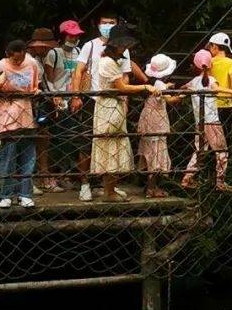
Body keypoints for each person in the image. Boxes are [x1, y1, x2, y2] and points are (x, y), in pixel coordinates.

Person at [72, 11, 145, 202]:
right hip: (94, 99)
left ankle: (108, 186)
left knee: (113, 144)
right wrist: (76, 96)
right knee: (88, 142)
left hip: (116, 101)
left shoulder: (123, 53)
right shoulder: (90, 46)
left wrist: (126, 101)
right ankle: (85, 183)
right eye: (105, 22)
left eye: (111, 22)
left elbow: (126, 75)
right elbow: (79, 71)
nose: (108, 25)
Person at [0, 38, 40, 208]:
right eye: (15, 59)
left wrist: (36, 91)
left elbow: (34, 86)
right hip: (7, 118)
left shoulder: (31, 64)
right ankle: (6, 194)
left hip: (27, 117)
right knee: (8, 159)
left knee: (28, 159)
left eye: (21, 58)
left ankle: (25, 194)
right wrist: (0, 83)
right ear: (8, 55)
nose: (19, 62)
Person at [88, 36, 136, 201]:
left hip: (113, 104)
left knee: (113, 144)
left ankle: (111, 188)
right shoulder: (107, 62)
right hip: (109, 106)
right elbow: (122, 87)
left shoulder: (109, 61)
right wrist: (145, 87)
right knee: (110, 145)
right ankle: (109, 192)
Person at [182, 48, 232, 194]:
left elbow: (183, 89)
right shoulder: (210, 80)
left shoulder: (193, 82)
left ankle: (187, 178)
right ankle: (220, 182)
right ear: (210, 65)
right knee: (222, 151)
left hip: (200, 122)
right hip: (212, 121)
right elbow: (219, 89)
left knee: (200, 150)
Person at [45, 19, 86, 187]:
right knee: (59, 137)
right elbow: (48, 77)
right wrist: (55, 96)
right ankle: (59, 172)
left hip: (75, 99)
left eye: (76, 35)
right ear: (63, 36)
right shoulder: (54, 53)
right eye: (71, 35)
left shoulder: (79, 51)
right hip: (60, 99)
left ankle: (71, 173)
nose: (74, 38)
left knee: (74, 137)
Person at [138, 53, 180, 197]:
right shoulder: (160, 84)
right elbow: (170, 100)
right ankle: (151, 188)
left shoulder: (152, 83)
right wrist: (182, 95)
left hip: (148, 117)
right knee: (156, 152)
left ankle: (151, 186)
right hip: (157, 120)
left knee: (150, 150)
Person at [27, 26, 60, 191]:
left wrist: (53, 95)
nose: (48, 49)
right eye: (45, 46)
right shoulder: (28, 60)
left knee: (43, 139)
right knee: (30, 141)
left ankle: (44, 174)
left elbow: (46, 80)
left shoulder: (40, 59)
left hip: (41, 104)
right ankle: (29, 179)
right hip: (30, 105)